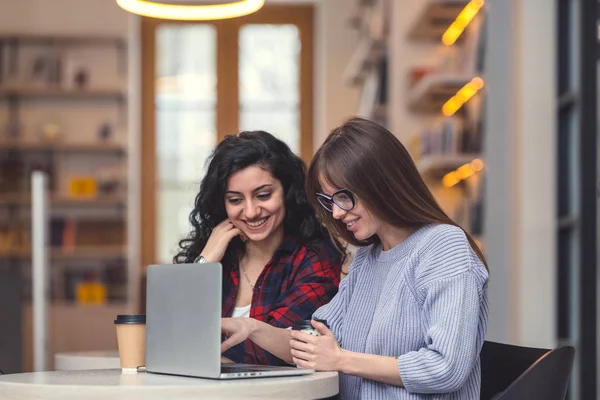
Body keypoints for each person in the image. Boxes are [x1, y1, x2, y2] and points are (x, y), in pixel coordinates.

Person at [221, 118, 489, 399]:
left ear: (382, 183)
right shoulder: (367, 260)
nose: (336, 213)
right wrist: (251, 328)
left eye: (344, 197)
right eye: (329, 201)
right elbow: (314, 343)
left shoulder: (444, 246)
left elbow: (445, 368)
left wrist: (341, 360)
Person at [175, 130, 343, 366]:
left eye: (263, 195)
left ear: (287, 191)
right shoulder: (219, 254)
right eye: (235, 200)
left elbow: (285, 351)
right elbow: (172, 336)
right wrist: (205, 261)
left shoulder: (315, 257)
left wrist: (204, 352)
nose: (251, 211)